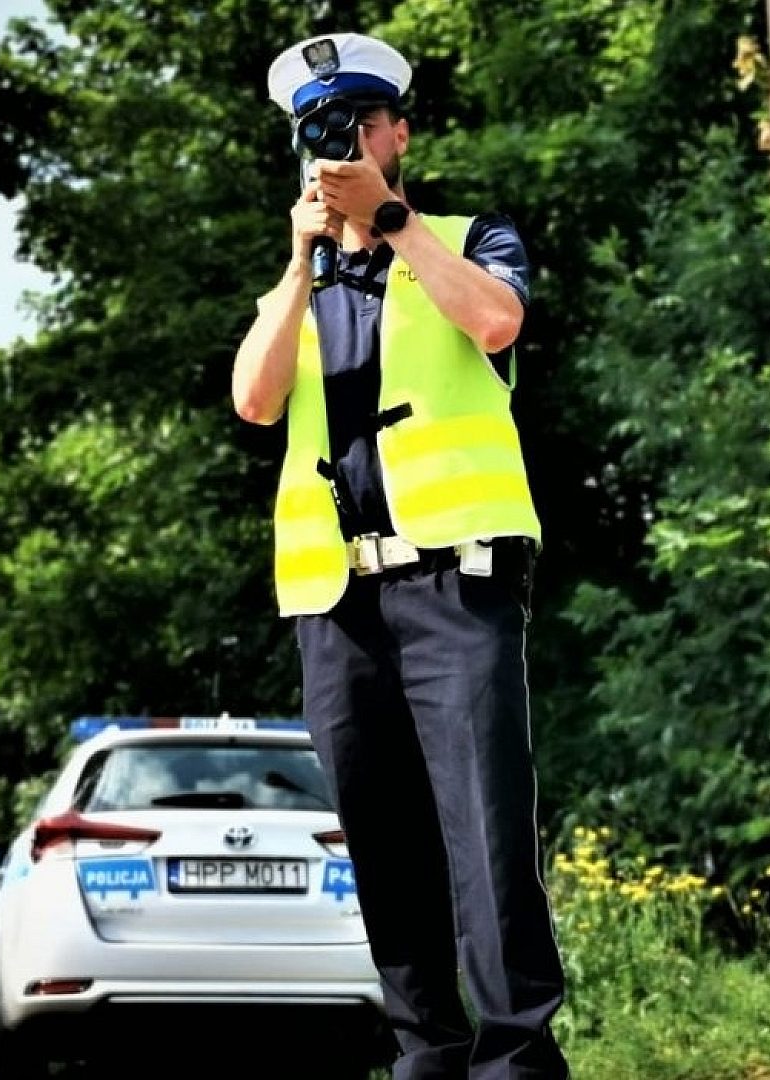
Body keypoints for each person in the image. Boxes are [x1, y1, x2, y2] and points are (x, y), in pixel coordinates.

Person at [230, 31, 570, 1080]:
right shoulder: (295, 283)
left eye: (355, 132)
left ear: (398, 135)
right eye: (317, 140)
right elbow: (254, 397)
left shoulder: (469, 236)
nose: (336, 154)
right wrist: (300, 261)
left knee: (486, 835)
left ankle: (515, 1060)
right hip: (336, 600)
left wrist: (391, 219)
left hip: (454, 583)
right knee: (382, 845)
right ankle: (428, 1054)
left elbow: (498, 322)